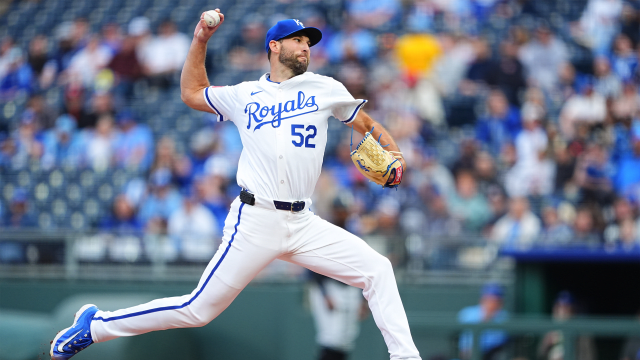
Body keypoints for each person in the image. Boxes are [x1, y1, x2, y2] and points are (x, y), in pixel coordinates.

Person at [50, 12, 420, 360]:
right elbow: (192, 92)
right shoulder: (244, 95)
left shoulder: (326, 88)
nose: (306, 46)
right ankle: (96, 325)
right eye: (297, 40)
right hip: (255, 219)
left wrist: (395, 154)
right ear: (274, 46)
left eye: (309, 42)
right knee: (197, 310)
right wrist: (200, 40)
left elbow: (366, 123)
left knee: (378, 270)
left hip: (304, 222)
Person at [458, 283, 509, 360]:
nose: (491, 303)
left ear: (501, 303)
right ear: (482, 300)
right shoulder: (467, 313)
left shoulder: (504, 317)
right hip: (467, 353)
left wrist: (489, 317)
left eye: (495, 301)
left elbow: (498, 341)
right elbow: (463, 338)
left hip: (490, 355)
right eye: (488, 299)